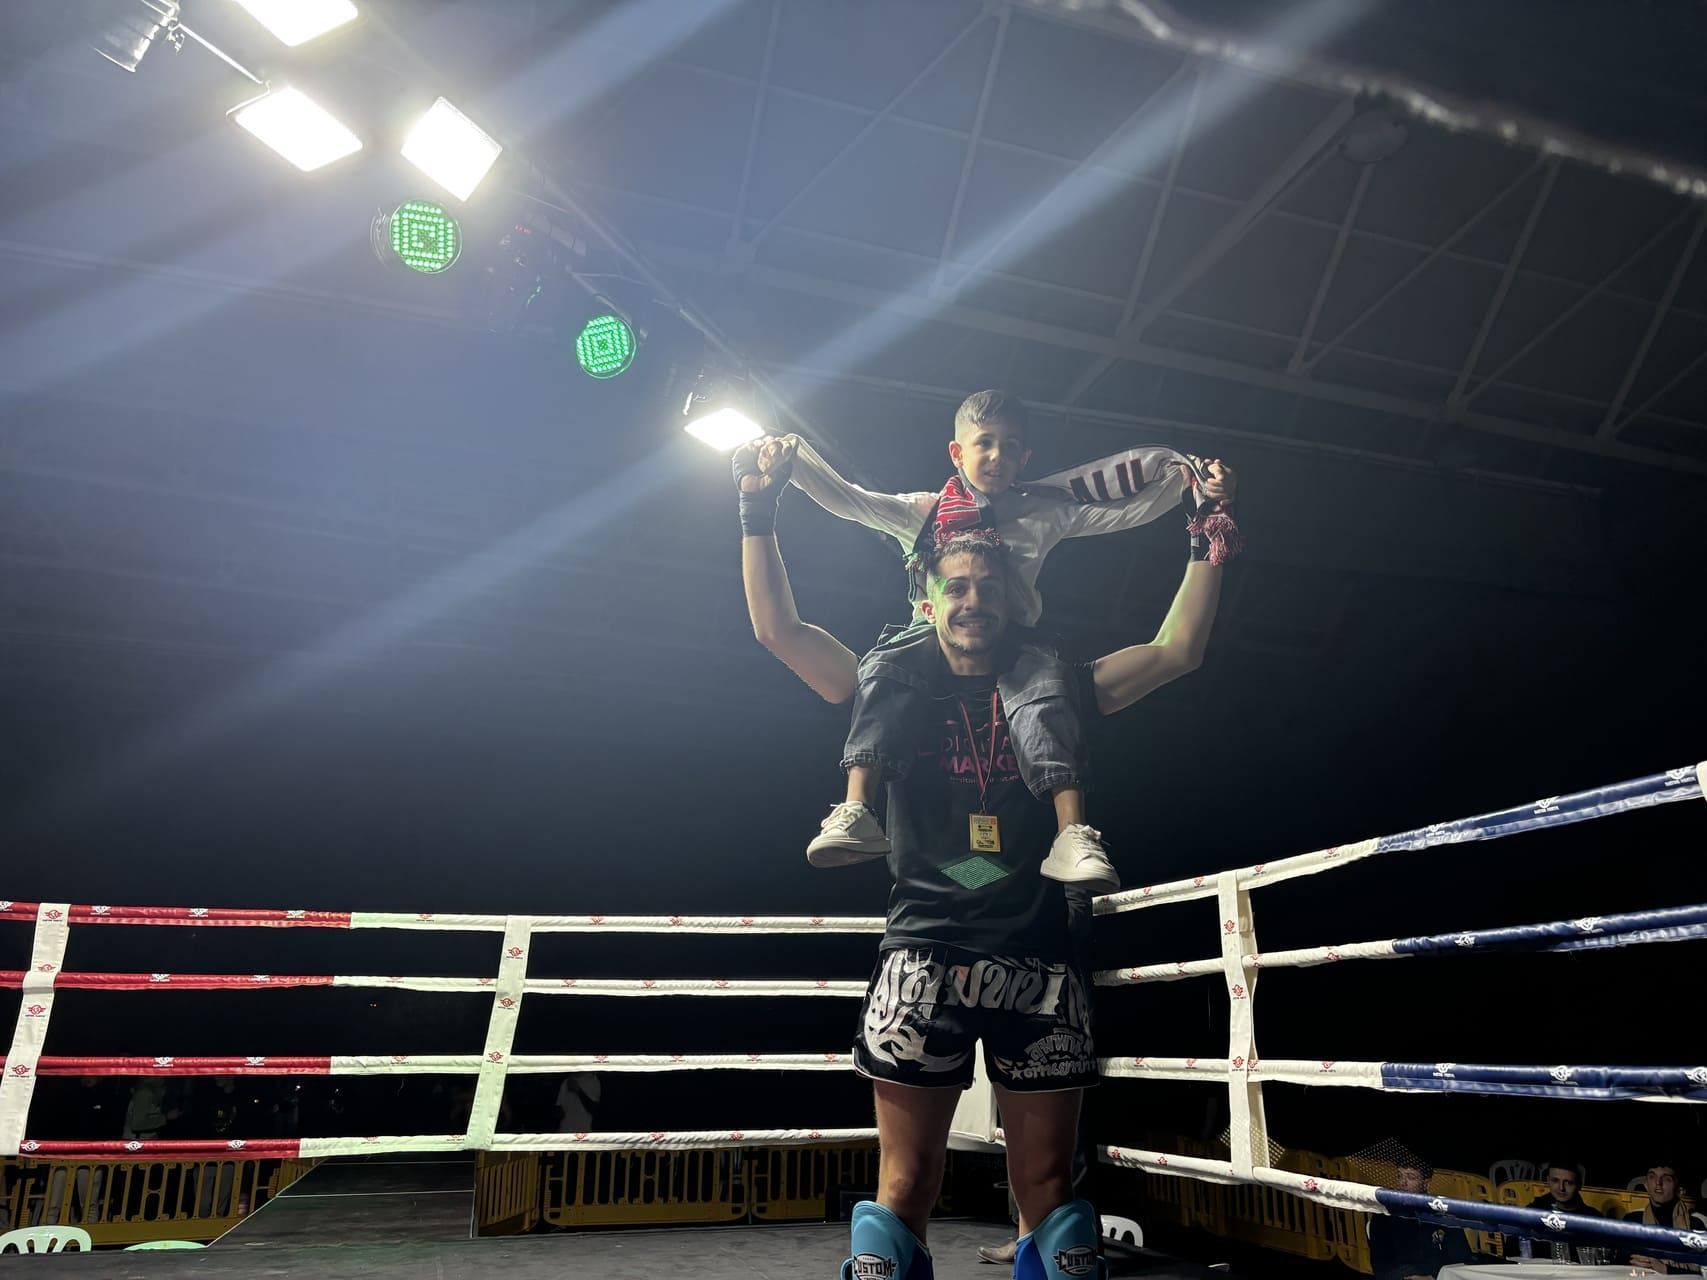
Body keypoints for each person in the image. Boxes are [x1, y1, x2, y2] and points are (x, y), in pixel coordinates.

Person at [734, 443, 1233, 1280]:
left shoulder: (1057, 683)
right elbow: (777, 630)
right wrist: (757, 512)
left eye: (988, 588)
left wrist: (1206, 538)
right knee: (905, 1186)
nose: (973, 601)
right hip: (924, 953)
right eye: (956, 588)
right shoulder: (888, 684)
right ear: (927, 602)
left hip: (1036, 957)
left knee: (1051, 1197)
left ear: (1014, 600)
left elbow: (1176, 649)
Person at [762, 390, 1239, 893]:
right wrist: (788, 459)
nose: (997, 457)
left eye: (1011, 447)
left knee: (1045, 687)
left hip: (1018, 650)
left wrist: (1195, 492)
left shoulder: (1042, 512)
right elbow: (850, 500)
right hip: (930, 644)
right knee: (884, 666)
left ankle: (1071, 832)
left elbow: (1118, 515)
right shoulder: (924, 512)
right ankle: (858, 806)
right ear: (957, 452)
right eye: (984, 443)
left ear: (1025, 457)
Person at [1368, 1160, 1474, 1280]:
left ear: (1426, 1184)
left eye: (1411, 1177)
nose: (1403, 1182)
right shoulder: (1383, 1216)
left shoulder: (1443, 1215)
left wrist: (1433, 1277)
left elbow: (1461, 1258)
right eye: (1400, 1176)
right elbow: (1381, 1265)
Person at [1503, 1159, 1601, 1263]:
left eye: (1568, 1182)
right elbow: (1511, 1254)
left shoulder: (1593, 1219)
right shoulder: (1533, 1212)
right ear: (1548, 1180)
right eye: (1555, 1180)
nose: (1561, 1188)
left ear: (1579, 1185)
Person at [1624, 1164, 1705, 1275]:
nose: (1658, 1183)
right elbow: (1616, 1261)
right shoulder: (1632, 1221)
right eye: (1652, 1177)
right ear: (1646, 1185)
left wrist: (1666, 1269)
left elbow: (1703, 1272)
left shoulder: (1696, 1224)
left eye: (1666, 1179)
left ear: (1679, 1189)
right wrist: (1632, 1263)